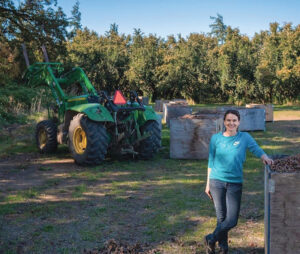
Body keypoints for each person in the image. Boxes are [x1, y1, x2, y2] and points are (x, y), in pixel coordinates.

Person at [204, 109, 273, 254]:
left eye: (234, 120)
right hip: (216, 181)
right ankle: (223, 248)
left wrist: (265, 157)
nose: (231, 123)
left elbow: (256, 149)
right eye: (228, 120)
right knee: (221, 217)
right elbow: (211, 161)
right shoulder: (216, 139)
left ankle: (211, 238)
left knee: (232, 220)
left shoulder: (245, 137)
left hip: (235, 183)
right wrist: (207, 184)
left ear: (239, 122)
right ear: (224, 122)